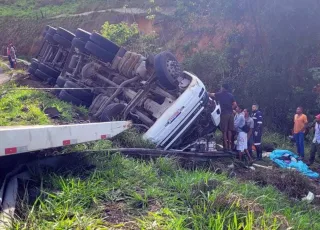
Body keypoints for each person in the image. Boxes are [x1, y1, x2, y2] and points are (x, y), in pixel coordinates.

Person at [209, 83, 237, 151]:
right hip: (231, 114)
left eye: (221, 87)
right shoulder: (231, 95)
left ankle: (226, 147)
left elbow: (211, 94)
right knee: (230, 130)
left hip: (224, 114)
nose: (221, 88)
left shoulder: (220, 94)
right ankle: (230, 146)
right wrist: (231, 108)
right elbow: (235, 104)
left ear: (223, 88)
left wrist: (207, 93)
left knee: (224, 131)